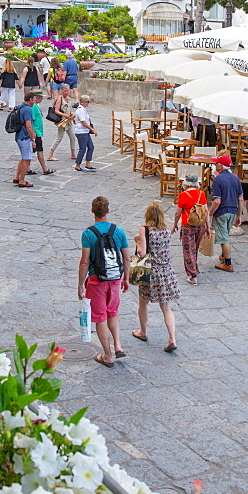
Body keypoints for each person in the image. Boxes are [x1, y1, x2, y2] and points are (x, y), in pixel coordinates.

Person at [78, 195, 130, 368]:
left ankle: (107, 355)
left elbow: (85, 261)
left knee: (100, 317)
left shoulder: (88, 233)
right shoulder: (119, 231)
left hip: (96, 280)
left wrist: (80, 284)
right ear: (108, 210)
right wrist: (126, 278)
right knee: (113, 312)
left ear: (92, 211)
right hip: (115, 278)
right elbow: (127, 258)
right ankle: (118, 345)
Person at [132, 201, 181, 353]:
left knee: (143, 302)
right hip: (165, 270)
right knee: (166, 307)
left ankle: (143, 332)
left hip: (150, 271)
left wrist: (139, 242)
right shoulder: (166, 230)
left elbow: (142, 252)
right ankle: (172, 338)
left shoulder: (145, 229)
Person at [172, 174, 209, 285]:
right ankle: (195, 268)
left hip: (187, 224)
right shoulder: (201, 194)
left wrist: (174, 225)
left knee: (188, 250)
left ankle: (193, 276)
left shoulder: (183, 195)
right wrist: (208, 226)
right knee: (195, 248)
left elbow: (178, 213)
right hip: (200, 225)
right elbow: (206, 212)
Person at [209, 155, 244, 273]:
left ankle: (228, 263)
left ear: (220, 166)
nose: (215, 166)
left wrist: (210, 213)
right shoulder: (235, 178)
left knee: (224, 238)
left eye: (216, 164)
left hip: (222, 211)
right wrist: (239, 215)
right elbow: (240, 199)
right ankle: (224, 256)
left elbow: (217, 201)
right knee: (225, 233)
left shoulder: (218, 180)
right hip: (233, 211)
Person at [13, 92, 38, 189]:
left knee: (23, 158)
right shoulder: (28, 109)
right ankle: (22, 180)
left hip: (19, 135)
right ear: (30, 99)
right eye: (34, 100)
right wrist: (33, 138)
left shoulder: (20, 107)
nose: (34, 102)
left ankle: (17, 177)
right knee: (27, 159)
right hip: (25, 137)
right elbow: (28, 125)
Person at [47, 84, 78, 161]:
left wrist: (72, 118)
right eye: (65, 91)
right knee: (59, 137)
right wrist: (65, 115)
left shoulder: (69, 99)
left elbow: (69, 109)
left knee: (72, 137)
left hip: (68, 121)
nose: (66, 92)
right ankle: (50, 154)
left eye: (68, 91)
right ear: (62, 91)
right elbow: (56, 111)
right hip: (62, 121)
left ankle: (73, 154)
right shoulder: (59, 99)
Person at [29, 91, 56, 176]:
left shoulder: (36, 106)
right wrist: (34, 133)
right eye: (40, 97)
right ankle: (44, 168)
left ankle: (28, 168)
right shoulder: (33, 106)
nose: (42, 98)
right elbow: (31, 120)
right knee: (39, 150)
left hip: (37, 132)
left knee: (31, 151)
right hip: (36, 132)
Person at [73, 95, 97, 171]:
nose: (88, 103)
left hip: (84, 131)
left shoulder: (82, 109)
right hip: (81, 132)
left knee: (91, 147)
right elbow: (84, 122)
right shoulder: (80, 110)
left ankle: (88, 164)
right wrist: (92, 129)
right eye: (87, 102)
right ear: (83, 102)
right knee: (82, 149)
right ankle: (77, 165)